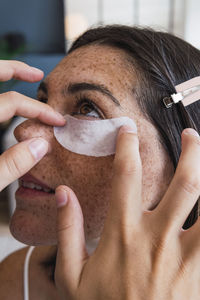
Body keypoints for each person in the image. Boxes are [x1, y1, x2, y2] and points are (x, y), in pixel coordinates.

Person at [0, 25, 200, 300]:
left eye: (87, 109)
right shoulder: (16, 275)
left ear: (184, 158)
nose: (24, 131)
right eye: (43, 100)